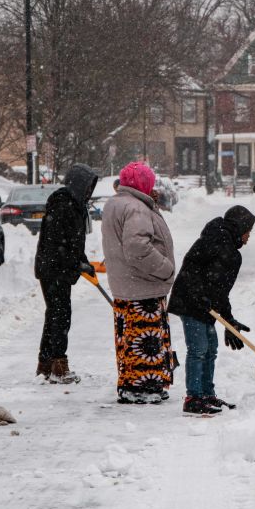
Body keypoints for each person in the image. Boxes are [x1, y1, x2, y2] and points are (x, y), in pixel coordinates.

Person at [168, 205, 255, 416]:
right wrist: (200, 297)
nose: (248, 237)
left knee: (210, 348)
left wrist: (229, 320)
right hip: (191, 303)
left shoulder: (230, 250)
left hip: (204, 304)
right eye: (247, 231)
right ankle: (193, 398)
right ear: (239, 227)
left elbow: (221, 290)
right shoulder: (215, 241)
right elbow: (190, 269)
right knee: (198, 349)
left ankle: (207, 394)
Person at [102, 162, 176, 404]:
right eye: (150, 183)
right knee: (146, 342)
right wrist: (165, 269)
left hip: (125, 287)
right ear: (142, 184)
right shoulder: (136, 209)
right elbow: (137, 249)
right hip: (142, 287)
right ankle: (145, 387)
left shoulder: (116, 203)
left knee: (129, 340)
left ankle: (130, 383)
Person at [34, 163, 99, 384]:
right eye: (88, 186)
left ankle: (45, 365)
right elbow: (57, 245)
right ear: (79, 184)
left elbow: (73, 244)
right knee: (60, 317)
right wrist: (75, 264)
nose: (89, 191)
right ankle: (58, 367)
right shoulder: (64, 206)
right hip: (53, 270)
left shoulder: (74, 205)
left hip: (57, 269)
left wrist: (83, 262)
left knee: (54, 316)